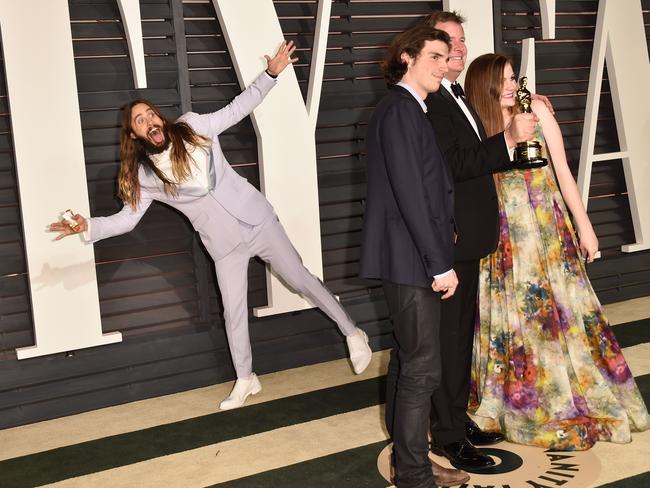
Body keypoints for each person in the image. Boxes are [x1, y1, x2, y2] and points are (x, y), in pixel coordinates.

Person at [49, 40, 372, 411]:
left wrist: (270, 75)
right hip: (224, 244)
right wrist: (87, 227)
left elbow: (237, 108)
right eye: (140, 121)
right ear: (135, 135)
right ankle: (246, 379)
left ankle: (353, 332)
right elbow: (127, 219)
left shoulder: (193, 126)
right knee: (233, 312)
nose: (149, 120)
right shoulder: (144, 176)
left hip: (257, 219)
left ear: (160, 118)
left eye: (151, 114)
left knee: (301, 279)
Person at [464, 53, 650, 450]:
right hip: (502, 242)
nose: (513, 85)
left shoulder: (538, 114)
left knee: (565, 314)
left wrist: (586, 228)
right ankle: (517, 399)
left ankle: (569, 393)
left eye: (514, 76)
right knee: (510, 322)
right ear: (485, 85)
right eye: (504, 79)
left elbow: (563, 173)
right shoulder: (477, 127)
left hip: (548, 233)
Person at [421, 11, 541, 470]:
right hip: (449, 242)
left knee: (460, 337)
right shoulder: (431, 103)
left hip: (470, 239)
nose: (460, 47)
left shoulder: (459, 97)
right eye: (448, 40)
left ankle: (454, 417)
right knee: (447, 341)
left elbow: (476, 161)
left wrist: (515, 152)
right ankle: (447, 435)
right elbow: (453, 164)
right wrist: (508, 138)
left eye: (462, 40)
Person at [360, 24, 464, 488]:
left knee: (410, 364)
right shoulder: (401, 112)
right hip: (411, 261)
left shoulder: (409, 111)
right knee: (422, 371)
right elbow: (411, 195)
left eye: (447, 57)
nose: (444, 65)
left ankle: (413, 465)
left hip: (409, 257)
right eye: (436, 56)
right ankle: (416, 478)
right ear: (408, 57)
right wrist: (439, 262)